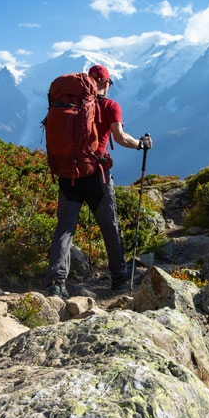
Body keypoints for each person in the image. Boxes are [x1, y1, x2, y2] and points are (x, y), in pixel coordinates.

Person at [45, 64, 152, 297]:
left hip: (67, 175)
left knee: (65, 228)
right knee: (109, 227)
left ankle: (56, 282)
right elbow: (120, 137)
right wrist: (141, 144)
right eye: (108, 83)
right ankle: (119, 276)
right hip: (96, 176)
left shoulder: (68, 103)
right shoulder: (110, 105)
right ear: (104, 83)